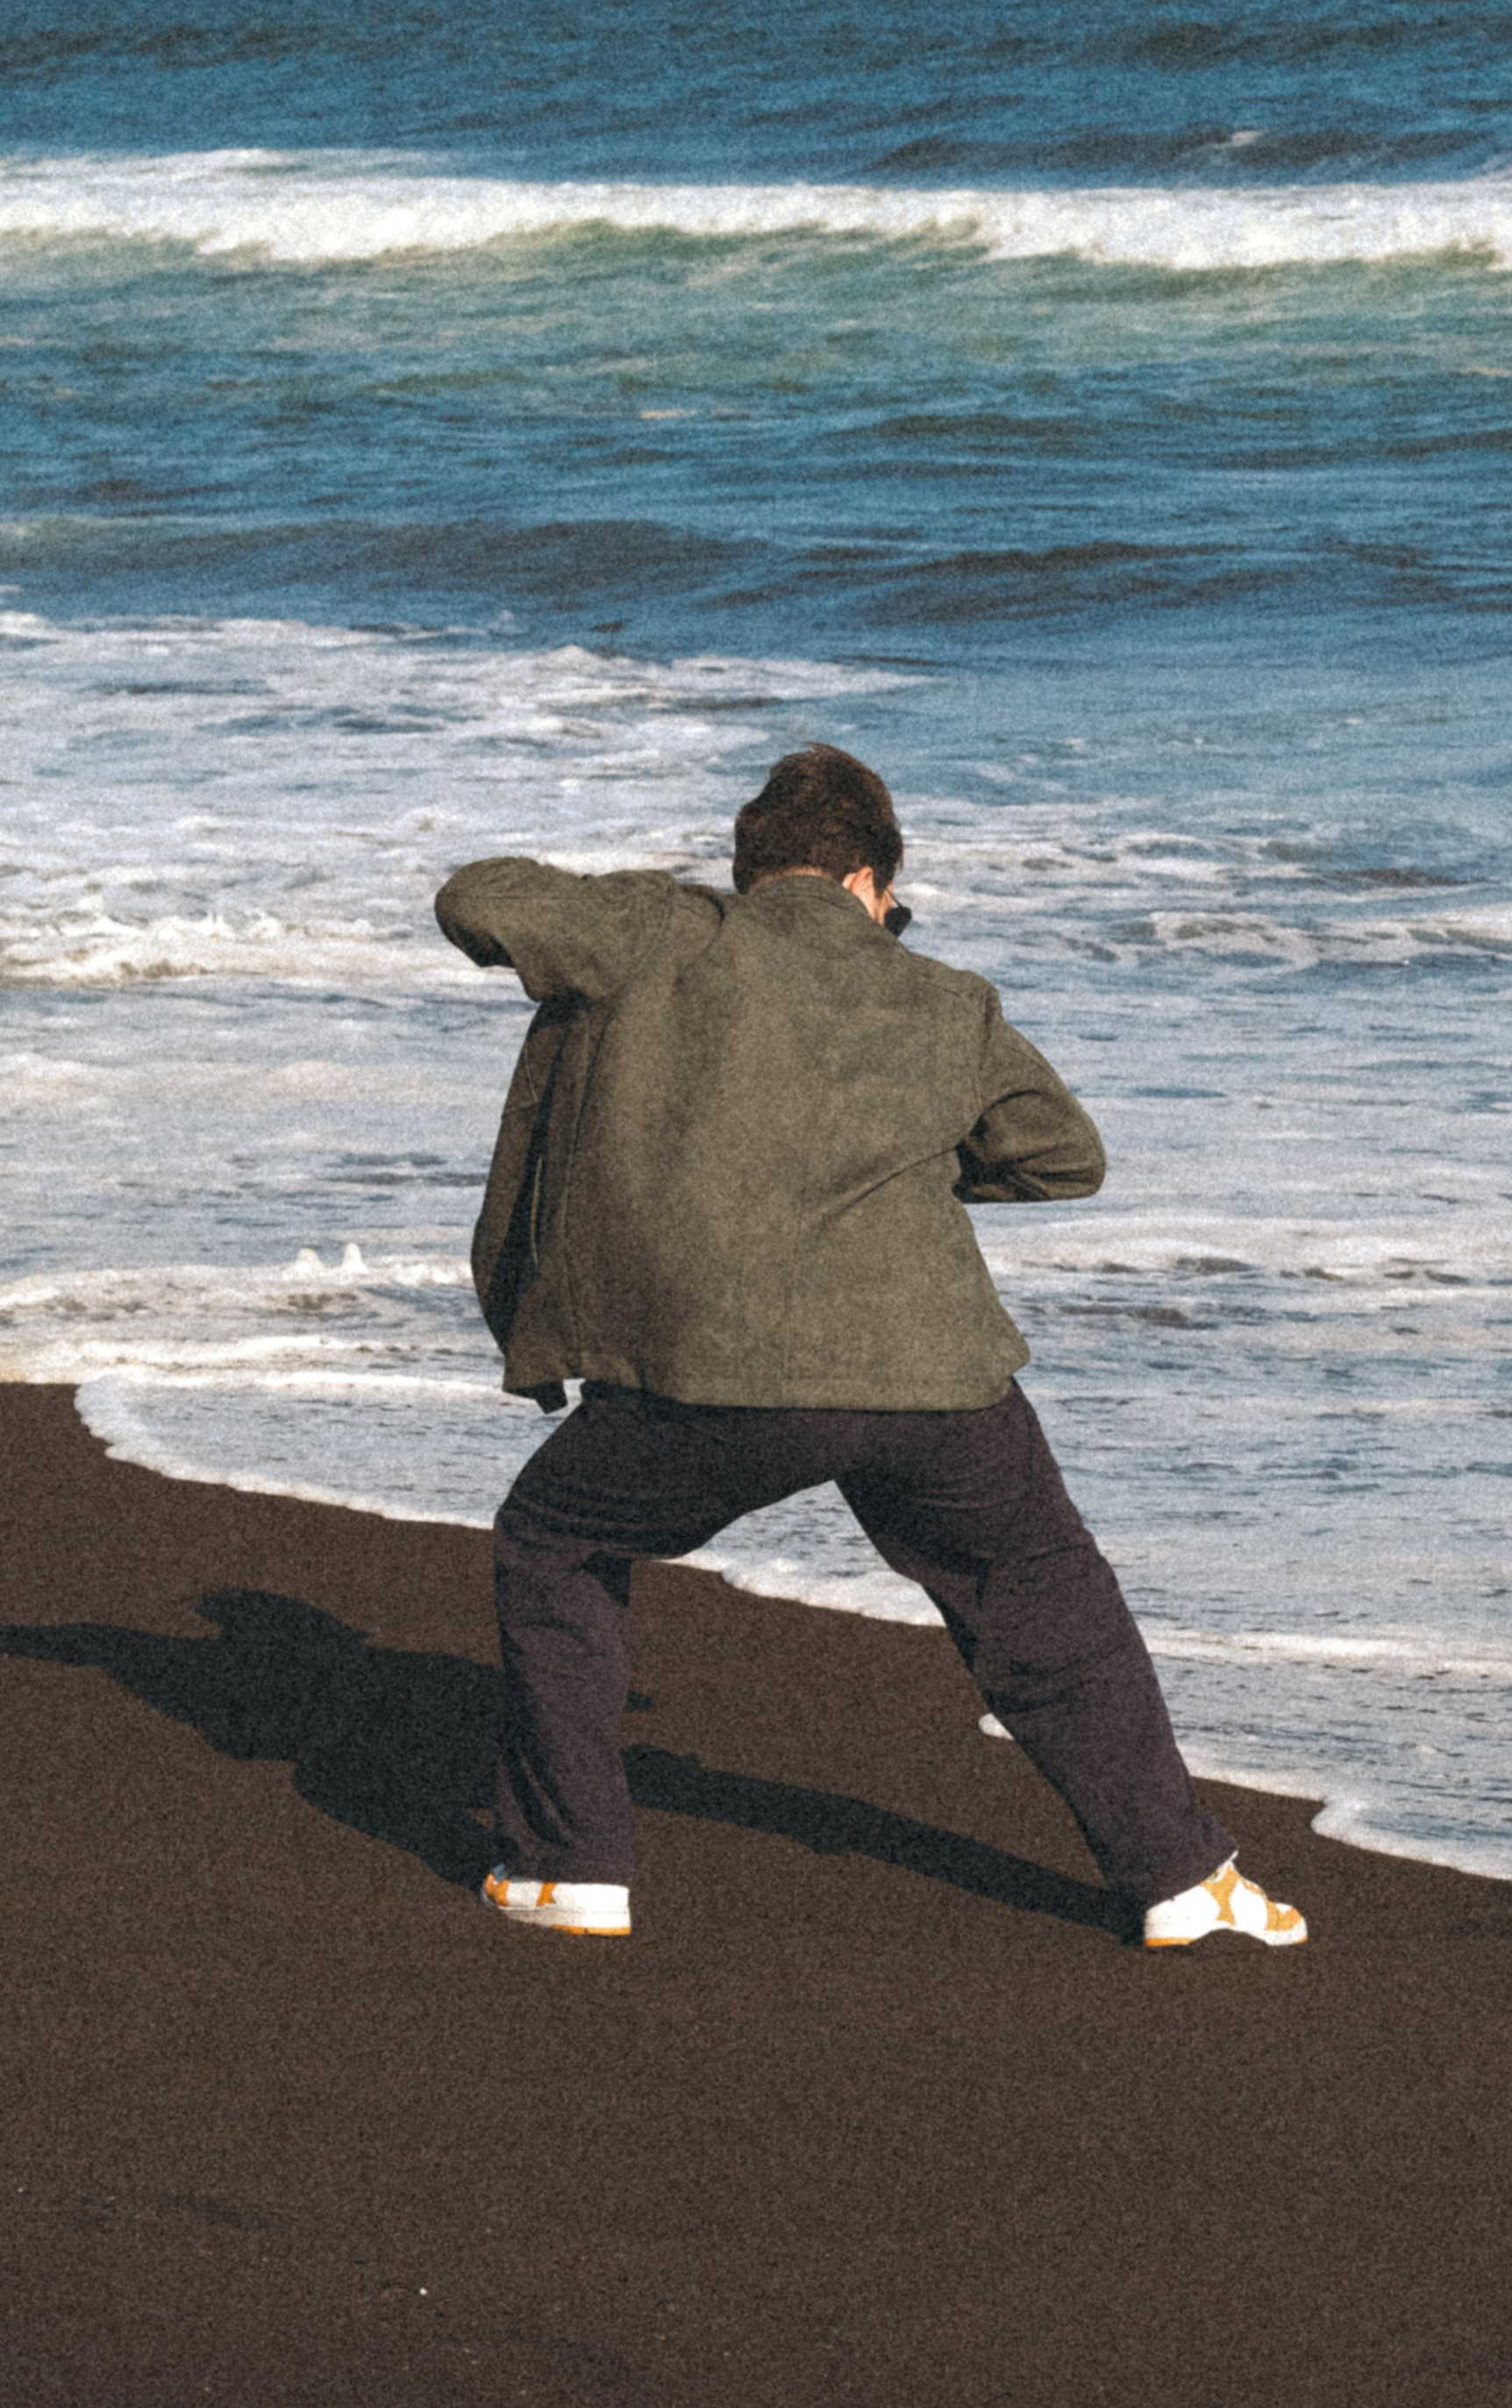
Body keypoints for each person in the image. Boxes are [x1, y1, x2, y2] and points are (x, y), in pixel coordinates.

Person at [436, 740, 1305, 1954]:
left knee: (557, 1541)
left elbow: (479, 893)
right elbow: (1062, 1157)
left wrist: (666, 905)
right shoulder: (944, 995)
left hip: (716, 1372)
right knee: (1044, 1601)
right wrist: (891, 1173)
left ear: (757, 871)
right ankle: (1182, 1879)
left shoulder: (661, 938)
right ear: (869, 883)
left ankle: (569, 1866)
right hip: (935, 1376)